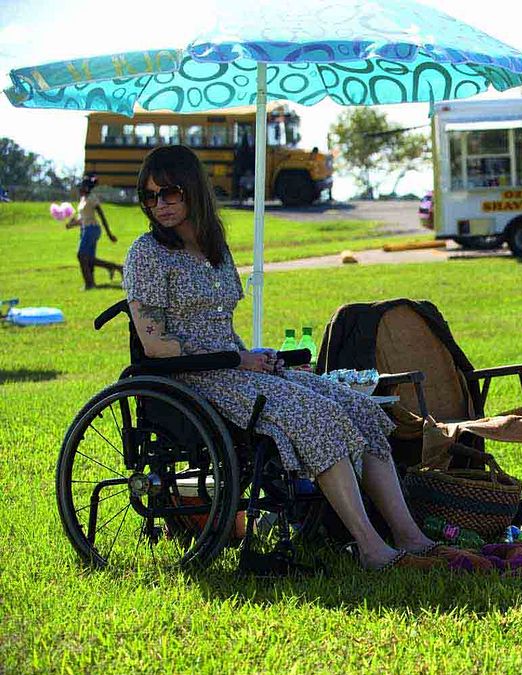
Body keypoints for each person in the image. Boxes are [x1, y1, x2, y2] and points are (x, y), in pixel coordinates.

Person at [124, 145, 441, 571]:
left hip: (238, 366)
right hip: (195, 378)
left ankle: (407, 534)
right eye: (150, 196)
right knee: (314, 414)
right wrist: (237, 360)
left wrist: (251, 357)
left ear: (193, 190)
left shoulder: (213, 248)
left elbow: (223, 329)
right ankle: (369, 546)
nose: (159, 204)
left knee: (358, 407)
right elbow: (155, 345)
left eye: (170, 193)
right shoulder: (146, 254)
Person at [66, 173, 123, 289]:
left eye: (81, 187)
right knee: (89, 259)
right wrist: (71, 224)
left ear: (86, 188)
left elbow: (101, 216)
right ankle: (115, 268)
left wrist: (109, 233)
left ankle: (89, 284)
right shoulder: (83, 199)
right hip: (85, 229)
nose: (79, 189)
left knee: (81, 255)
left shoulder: (92, 198)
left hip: (92, 229)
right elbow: (82, 218)